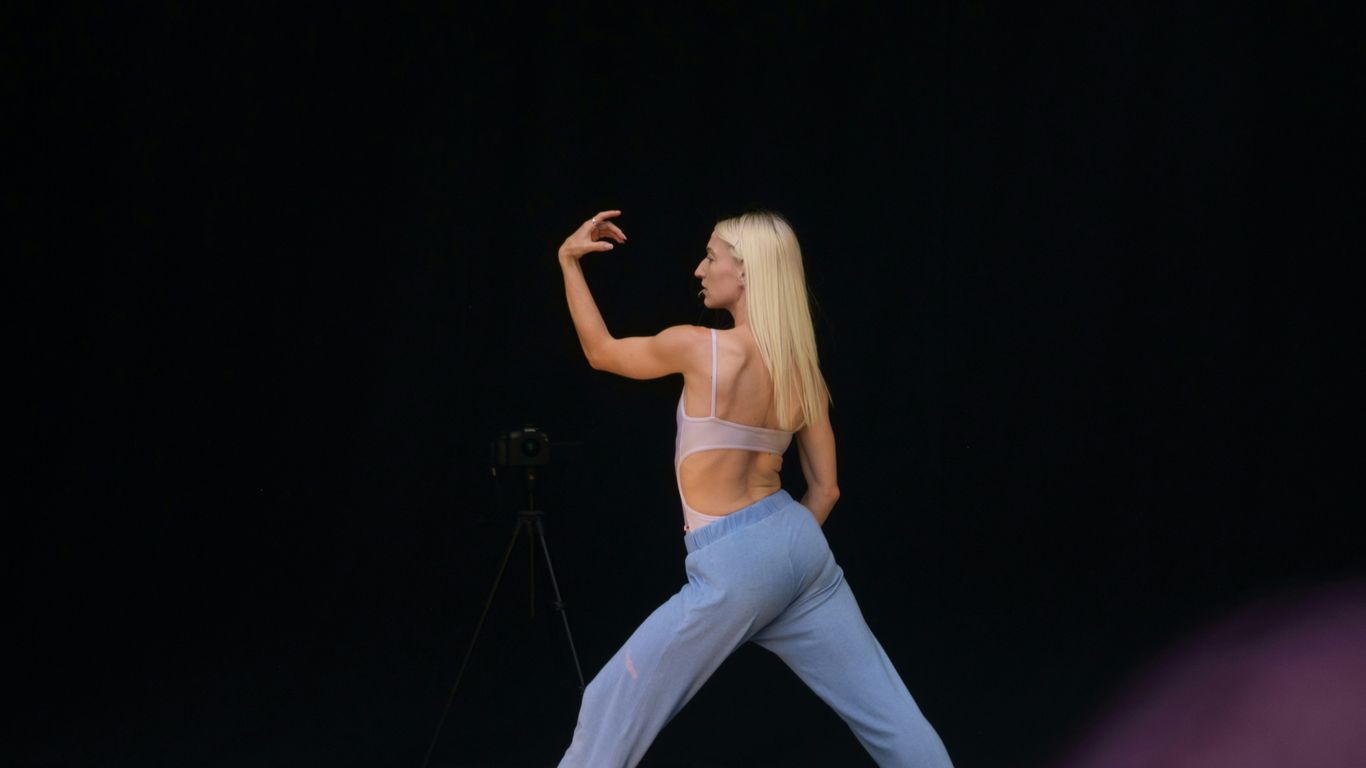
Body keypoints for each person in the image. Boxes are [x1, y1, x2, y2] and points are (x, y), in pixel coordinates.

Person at [555, 209, 953, 767]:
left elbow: (601, 352)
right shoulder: (800, 367)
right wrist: (779, 553)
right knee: (891, 719)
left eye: (711, 257)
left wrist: (569, 261)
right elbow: (827, 490)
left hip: (733, 561)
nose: (699, 268)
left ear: (745, 273)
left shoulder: (698, 347)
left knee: (608, 703)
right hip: (801, 548)